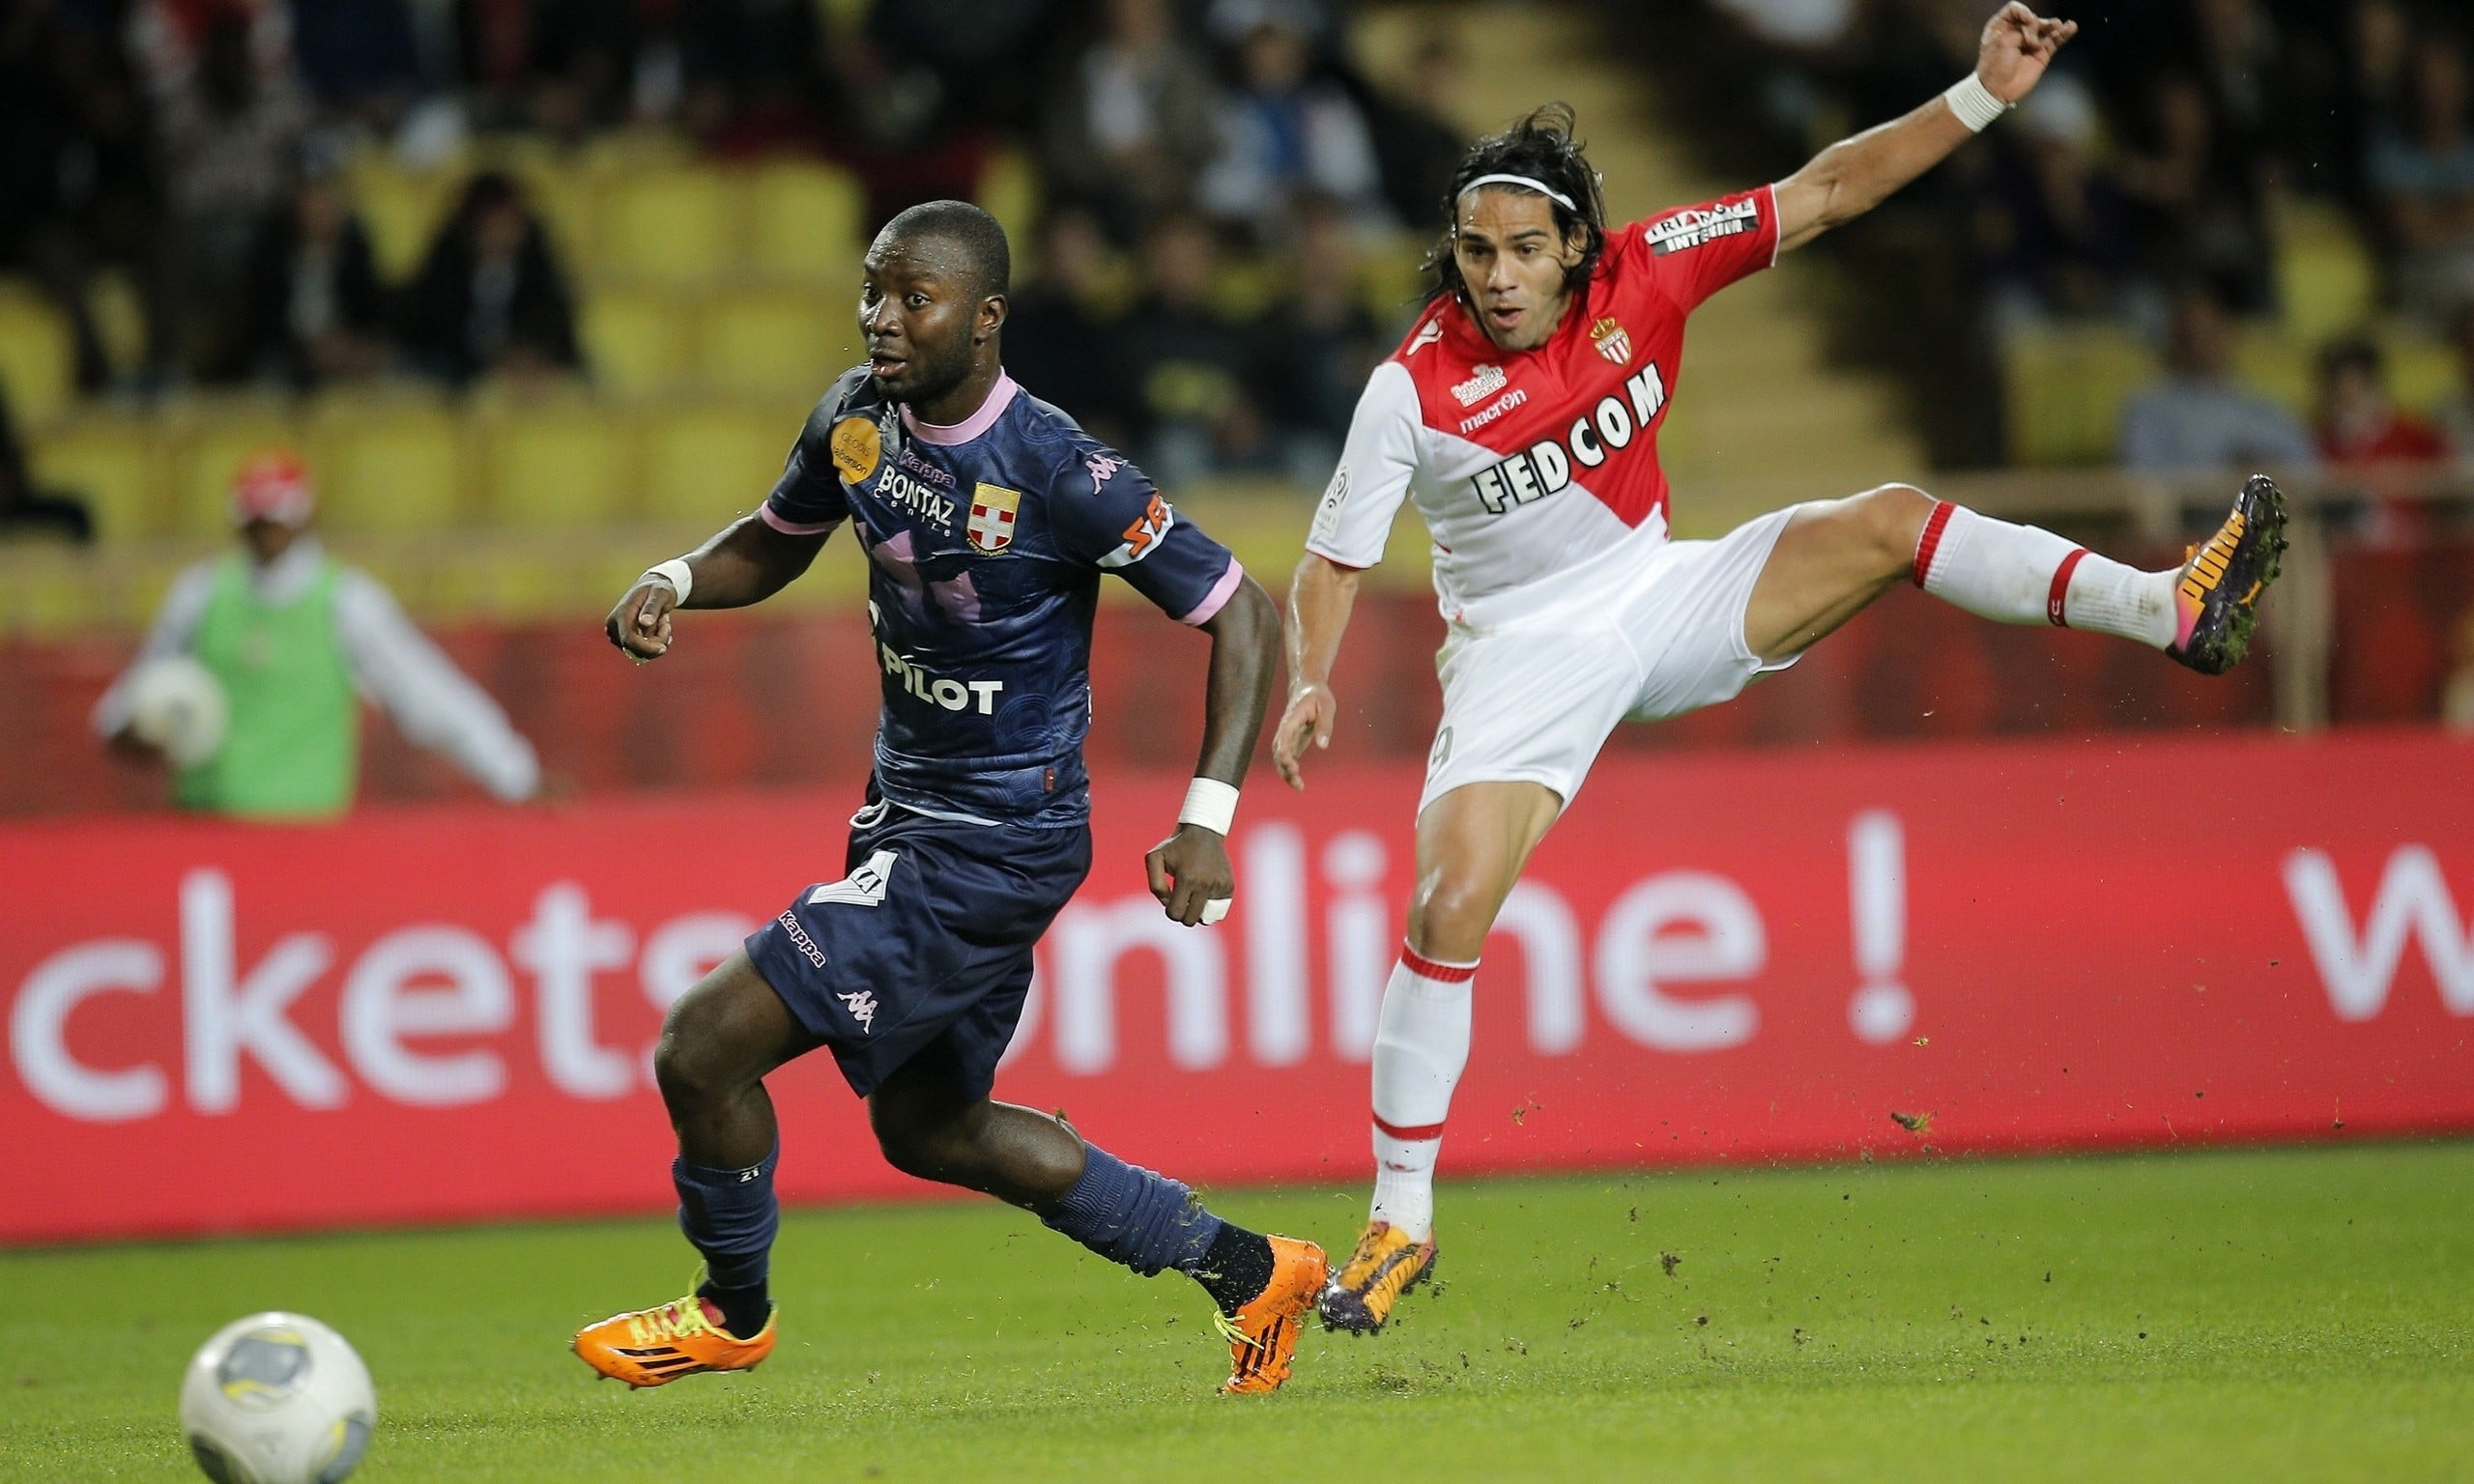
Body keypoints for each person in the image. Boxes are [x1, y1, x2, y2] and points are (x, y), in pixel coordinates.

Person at [1278, 6, 2289, 1335]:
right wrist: (1309, 677)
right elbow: (1333, 562)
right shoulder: (1410, 388)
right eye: (1478, 252)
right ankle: (1401, 1224)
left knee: (1884, 519)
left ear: (1577, 244)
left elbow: (1820, 192)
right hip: (1523, 648)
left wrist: (1981, 96)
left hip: (1665, 587)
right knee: (1448, 905)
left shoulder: (1652, 268)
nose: (1501, 277)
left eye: (1527, 249)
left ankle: (2174, 608)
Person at [573, 201, 1326, 1397]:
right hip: (907, 809)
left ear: (984, 319)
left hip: (994, 837)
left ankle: (730, 1313)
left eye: (910, 297)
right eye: (872, 290)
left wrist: (1206, 818)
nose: (880, 317)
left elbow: (1237, 609)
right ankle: (1250, 1271)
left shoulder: (1059, 469)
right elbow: (779, 540)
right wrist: (675, 578)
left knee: (700, 1049)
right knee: (929, 1128)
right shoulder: (854, 416)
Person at [93, 450, 541, 816]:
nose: (269, 530)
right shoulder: (199, 595)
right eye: (259, 519)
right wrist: (128, 729)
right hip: (205, 825)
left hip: (305, 836)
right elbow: (139, 691)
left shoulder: (346, 602)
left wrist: (515, 775)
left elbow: (428, 694)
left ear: (306, 517)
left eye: (277, 517)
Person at [2118, 284, 2315, 472]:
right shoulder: (2149, 409)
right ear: (2175, 341)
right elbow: (2140, 479)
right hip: (2191, 505)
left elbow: (2306, 467)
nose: (2201, 346)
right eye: (2191, 335)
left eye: (2210, 333)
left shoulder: (2258, 405)